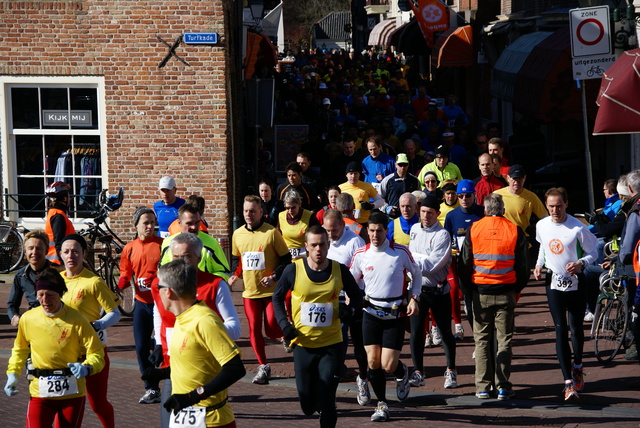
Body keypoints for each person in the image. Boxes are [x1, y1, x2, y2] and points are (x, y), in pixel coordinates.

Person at [272, 225, 363, 428]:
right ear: (306, 247)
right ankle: (317, 404)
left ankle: (327, 411)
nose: (318, 249)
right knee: (307, 406)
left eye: (322, 244)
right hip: (303, 344)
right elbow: (277, 298)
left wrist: (350, 310)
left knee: (328, 397)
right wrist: (285, 326)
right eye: (313, 245)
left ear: (328, 245)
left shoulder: (340, 270)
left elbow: (357, 296)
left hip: (332, 344)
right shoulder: (293, 270)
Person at [153, 232, 242, 427]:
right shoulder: (180, 320)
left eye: (159, 287)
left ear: (168, 292)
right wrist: (162, 374)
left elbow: (236, 368)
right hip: (185, 418)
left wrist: (193, 397)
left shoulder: (205, 321)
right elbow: (193, 364)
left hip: (211, 420)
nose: (155, 290)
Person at [4, 267, 105, 427]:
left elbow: (96, 352)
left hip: (72, 394)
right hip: (40, 393)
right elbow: (20, 350)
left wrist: (88, 367)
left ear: (60, 293)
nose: (44, 300)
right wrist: (13, 373)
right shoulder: (28, 319)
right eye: (40, 295)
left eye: (50, 295)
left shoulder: (77, 319)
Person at [349, 211, 421, 422]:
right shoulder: (361, 254)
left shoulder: (400, 252)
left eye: (379, 231)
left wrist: (414, 298)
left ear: (386, 231)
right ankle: (382, 404)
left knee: (388, 365)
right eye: (371, 231)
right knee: (372, 360)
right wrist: (349, 298)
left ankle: (402, 372)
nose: (375, 235)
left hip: (394, 313)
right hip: (370, 312)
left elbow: (416, 274)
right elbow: (351, 280)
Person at [460, 193, 528, 400]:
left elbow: (464, 263)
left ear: (485, 210)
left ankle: (482, 386)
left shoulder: (475, 228)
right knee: (504, 340)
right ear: (503, 209)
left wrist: (469, 290)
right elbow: (524, 266)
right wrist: (516, 289)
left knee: (481, 340)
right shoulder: (514, 230)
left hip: (480, 292)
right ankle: (503, 386)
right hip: (506, 291)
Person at [533, 188, 598, 401]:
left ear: (566, 204)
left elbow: (593, 252)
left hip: (576, 283)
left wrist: (581, 263)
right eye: (551, 206)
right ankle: (568, 383)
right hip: (553, 282)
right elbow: (543, 245)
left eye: (558, 206)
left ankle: (578, 365)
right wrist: (538, 264)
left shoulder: (577, 227)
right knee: (560, 329)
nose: (554, 210)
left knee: (575, 328)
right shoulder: (541, 225)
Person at [228, 195, 291, 385]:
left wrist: (273, 276)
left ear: (261, 213)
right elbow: (238, 260)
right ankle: (263, 366)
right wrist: (235, 275)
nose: (249, 214)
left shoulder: (271, 233)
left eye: (253, 211)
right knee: (254, 329)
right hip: (250, 293)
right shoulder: (237, 234)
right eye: (246, 211)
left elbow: (286, 260)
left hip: (271, 292)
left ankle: (286, 333)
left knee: (272, 330)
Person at [60, 234, 121, 428]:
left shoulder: (93, 282)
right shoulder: (55, 280)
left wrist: (97, 325)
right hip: (64, 352)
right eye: (67, 251)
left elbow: (115, 313)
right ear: (60, 254)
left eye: (76, 251)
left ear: (84, 254)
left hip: (92, 351)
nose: (71, 256)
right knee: (63, 403)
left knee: (97, 404)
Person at [408, 195, 457, 390]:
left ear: (437, 213)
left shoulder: (443, 235)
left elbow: (432, 265)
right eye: (423, 212)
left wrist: (416, 260)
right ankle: (418, 372)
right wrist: (419, 260)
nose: (426, 216)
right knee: (416, 333)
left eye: (430, 212)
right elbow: (415, 262)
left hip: (438, 291)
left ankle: (451, 370)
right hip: (417, 292)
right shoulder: (413, 230)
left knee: (445, 332)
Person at [117, 207, 165, 404]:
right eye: (145, 222)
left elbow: (170, 268)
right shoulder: (129, 248)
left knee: (165, 347)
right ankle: (151, 389)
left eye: (152, 222)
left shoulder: (162, 244)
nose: (150, 226)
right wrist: (122, 282)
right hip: (142, 304)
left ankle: (172, 382)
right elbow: (125, 271)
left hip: (161, 304)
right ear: (136, 225)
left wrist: (157, 279)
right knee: (140, 348)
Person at [444, 180, 484, 335]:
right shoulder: (451, 216)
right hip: (463, 266)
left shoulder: (483, 212)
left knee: (484, 304)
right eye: (461, 196)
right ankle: (478, 338)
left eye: (468, 195)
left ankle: (488, 338)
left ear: (474, 195)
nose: (464, 199)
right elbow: (446, 240)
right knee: (469, 304)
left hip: (483, 265)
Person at [160, 204, 230, 280]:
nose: (194, 227)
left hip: (203, 289)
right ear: (180, 223)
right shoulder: (168, 243)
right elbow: (162, 271)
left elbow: (224, 272)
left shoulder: (211, 243)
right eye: (189, 223)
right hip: (176, 289)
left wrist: (205, 282)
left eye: (197, 222)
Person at [7, 230, 51, 326]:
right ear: (25, 252)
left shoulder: (57, 273)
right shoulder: (21, 275)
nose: (34, 252)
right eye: (30, 248)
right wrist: (14, 316)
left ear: (46, 250)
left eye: (39, 248)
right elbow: (12, 304)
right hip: (33, 320)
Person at [494, 164, 547, 241]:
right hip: (503, 239)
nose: (516, 182)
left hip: (522, 241)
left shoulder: (531, 196)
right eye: (514, 179)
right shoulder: (496, 195)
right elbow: (490, 218)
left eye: (519, 178)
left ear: (524, 178)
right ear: (508, 178)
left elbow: (545, 218)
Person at [278, 190, 321, 260]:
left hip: (306, 258)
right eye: (287, 208)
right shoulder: (281, 216)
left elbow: (318, 235)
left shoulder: (309, 216)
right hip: (287, 259)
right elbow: (277, 236)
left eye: (293, 207)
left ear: (299, 204)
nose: (290, 211)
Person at [379, 153, 421, 219]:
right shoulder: (388, 180)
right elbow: (379, 198)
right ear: (395, 164)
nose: (403, 167)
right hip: (392, 218)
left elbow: (419, 198)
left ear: (408, 164)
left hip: (411, 218)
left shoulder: (415, 180)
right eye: (400, 164)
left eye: (405, 164)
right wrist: (387, 208)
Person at [44, 181, 75, 265]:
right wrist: (63, 261)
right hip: (57, 262)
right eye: (69, 196)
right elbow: (59, 241)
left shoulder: (54, 212)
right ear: (64, 198)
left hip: (54, 260)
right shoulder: (58, 216)